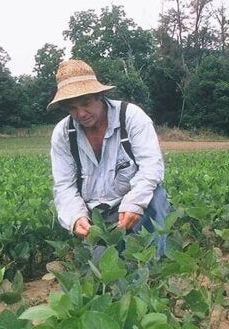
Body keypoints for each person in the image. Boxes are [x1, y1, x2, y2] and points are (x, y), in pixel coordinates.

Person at [48, 59, 169, 254]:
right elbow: (64, 186)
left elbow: (151, 168)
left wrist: (134, 204)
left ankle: (153, 264)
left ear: (100, 96)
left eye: (85, 103)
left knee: (155, 199)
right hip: (98, 216)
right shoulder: (63, 133)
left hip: (135, 202)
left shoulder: (131, 117)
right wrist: (76, 217)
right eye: (72, 107)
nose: (81, 113)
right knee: (103, 274)